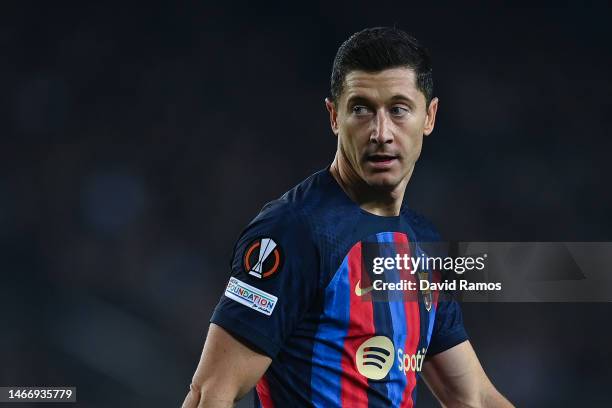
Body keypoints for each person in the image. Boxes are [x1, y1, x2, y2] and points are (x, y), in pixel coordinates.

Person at [182, 27, 513, 408]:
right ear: (334, 116)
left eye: (399, 109)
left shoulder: (420, 242)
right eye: (361, 109)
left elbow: (473, 398)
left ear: (429, 116)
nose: (381, 133)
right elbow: (210, 392)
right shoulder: (295, 231)